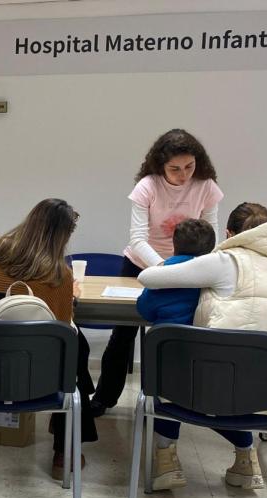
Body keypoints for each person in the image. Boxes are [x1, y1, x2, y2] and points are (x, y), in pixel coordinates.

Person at [138, 203, 267, 488]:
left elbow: (148, 278)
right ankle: (247, 461)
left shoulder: (228, 261)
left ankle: (165, 458)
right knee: (236, 379)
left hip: (226, 390)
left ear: (229, 234)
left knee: (173, 373)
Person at [91, 129, 223, 418]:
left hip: (189, 266)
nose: (184, 175)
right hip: (142, 264)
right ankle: (103, 399)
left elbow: (211, 235)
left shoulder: (206, 185)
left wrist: (189, 269)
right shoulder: (147, 187)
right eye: (174, 169)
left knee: (180, 333)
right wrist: (165, 270)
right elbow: (138, 238)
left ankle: (179, 399)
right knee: (123, 334)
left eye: (189, 167)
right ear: (160, 165)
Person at [0, 199, 98, 481]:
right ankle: (65, 449)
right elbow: (62, 325)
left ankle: (69, 428)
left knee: (78, 352)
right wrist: (67, 298)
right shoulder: (59, 274)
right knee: (76, 351)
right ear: (63, 235)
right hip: (34, 373)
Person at [135, 217, 263, 490]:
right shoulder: (222, 274)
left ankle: (166, 459)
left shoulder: (166, 271)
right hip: (216, 366)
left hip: (171, 363)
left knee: (167, 395)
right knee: (223, 398)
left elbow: (144, 310)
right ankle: (246, 459)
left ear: (173, 244)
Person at [135, 218, 216, 326]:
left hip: (163, 339)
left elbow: (145, 311)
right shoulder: (213, 278)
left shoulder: (158, 277)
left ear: (174, 246)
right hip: (201, 340)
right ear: (211, 249)